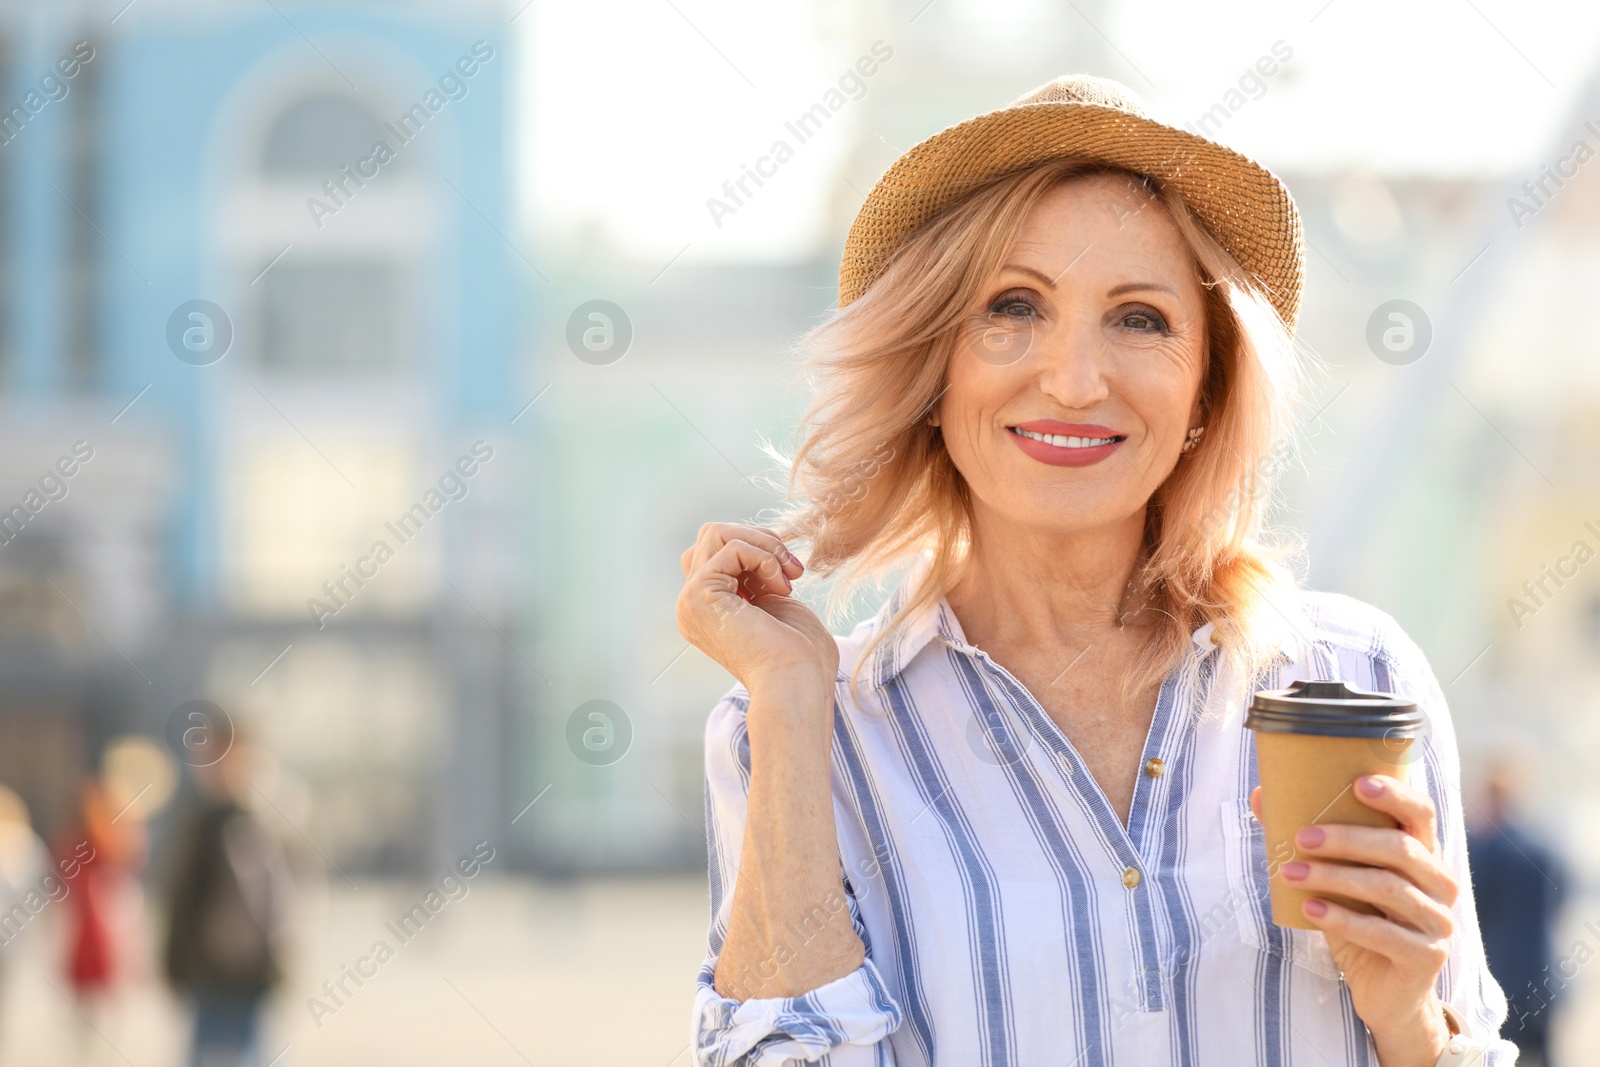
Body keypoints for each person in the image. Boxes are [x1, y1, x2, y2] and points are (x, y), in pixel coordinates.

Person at [676, 74, 1513, 1064]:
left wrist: (1410, 1019)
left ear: (1207, 386)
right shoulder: (796, 733)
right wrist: (786, 698)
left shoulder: (1357, 677)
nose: (1074, 379)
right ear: (933, 378)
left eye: (1140, 318)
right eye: (1012, 307)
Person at [162, 732, 291, 1067]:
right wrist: (173, 963)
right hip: (205, 973)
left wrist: (280, 963)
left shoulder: (267, 824)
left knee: (249, 1052)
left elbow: (282, 903)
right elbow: (179, 898)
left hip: (252, 975)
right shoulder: (198, 825)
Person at [1468, 761, 1567, 1065]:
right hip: (1546, 972)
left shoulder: (1484, 851)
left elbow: (1473, 915)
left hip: (1501, 980)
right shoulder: (1545, 846)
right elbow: (1559, 901)